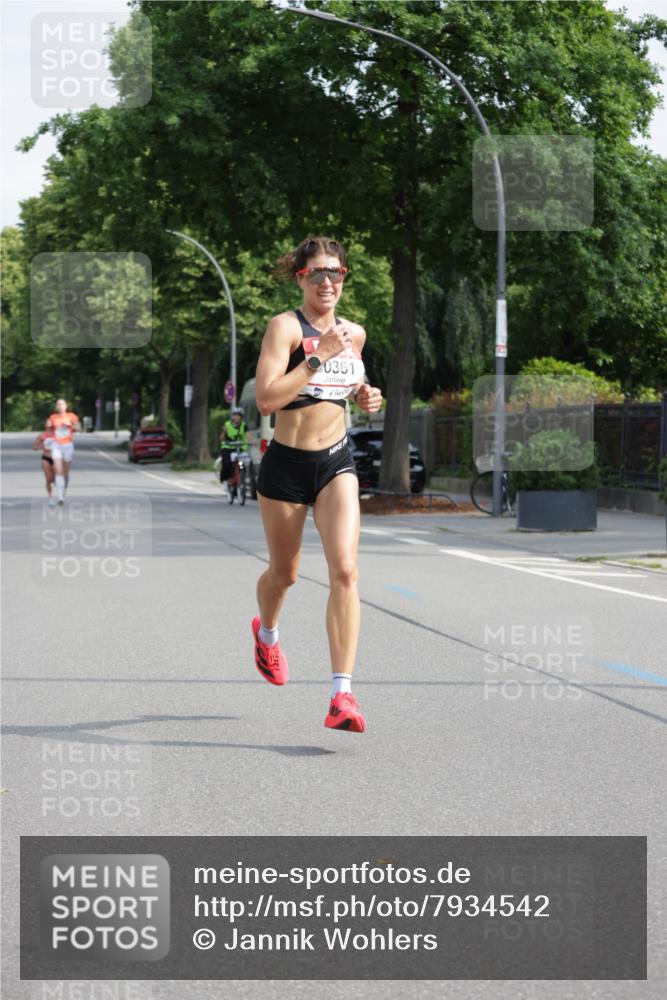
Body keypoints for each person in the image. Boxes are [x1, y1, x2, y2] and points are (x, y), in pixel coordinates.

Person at [252, 235, 383, 733]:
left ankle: (341, 695)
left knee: (346, 570)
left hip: (336, 462)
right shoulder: (284, 328)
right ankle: (266, 634)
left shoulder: (356, 333)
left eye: (336, 272)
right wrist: (317, 357)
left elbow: (349, 387)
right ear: (301, 277)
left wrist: (366, 395)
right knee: (284, 575)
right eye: (317, 273)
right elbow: (266, 400)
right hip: (286, 465)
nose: (327, 281)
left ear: (345, 277)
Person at [45, 398, 81, 505]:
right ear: (56, 407)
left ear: (66, 406)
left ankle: (63, 491)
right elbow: (49, 430)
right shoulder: (53, 417)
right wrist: (48, 426)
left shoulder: (72, 416)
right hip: (57, 445)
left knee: (65, 472)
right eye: (58, 404)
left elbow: (79, 428)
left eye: (62, 404)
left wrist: (71, 425)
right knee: (58, 470)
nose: (60, 406)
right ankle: (60, 497)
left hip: (68, 445)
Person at [219, 407, 248, 488]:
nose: (236, 417)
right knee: (227, 463)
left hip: (239, 447)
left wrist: (252, 443)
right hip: (228, 447)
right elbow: (221, 438)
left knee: (246, 462)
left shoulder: (244, 425)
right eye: (235, 415)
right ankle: (227, 478)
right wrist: (224, 431)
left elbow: (249, 436)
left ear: (241, 417)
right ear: (232, 416)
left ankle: (242, 477)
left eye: (239, 415)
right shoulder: (227, 425)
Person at [32, 429, 56, 505]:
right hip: (46, 458)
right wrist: (41, 447)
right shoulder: (42, 435)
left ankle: (60, 494)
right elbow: (34, 447)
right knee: (48, 479)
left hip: (57, 458)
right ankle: (51, 498)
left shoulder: (59, 434)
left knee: (56, 478)